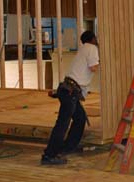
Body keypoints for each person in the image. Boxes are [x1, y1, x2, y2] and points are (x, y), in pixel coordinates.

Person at [41, 30, 99, 165]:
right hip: (70, 92)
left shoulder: (83, 49)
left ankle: (68, 147)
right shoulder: (92, 48)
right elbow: (93, 68)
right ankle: (49, 155)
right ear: (92, 39)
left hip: (68, 90)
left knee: (80, 118)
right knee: (62, 124)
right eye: (96, 38)